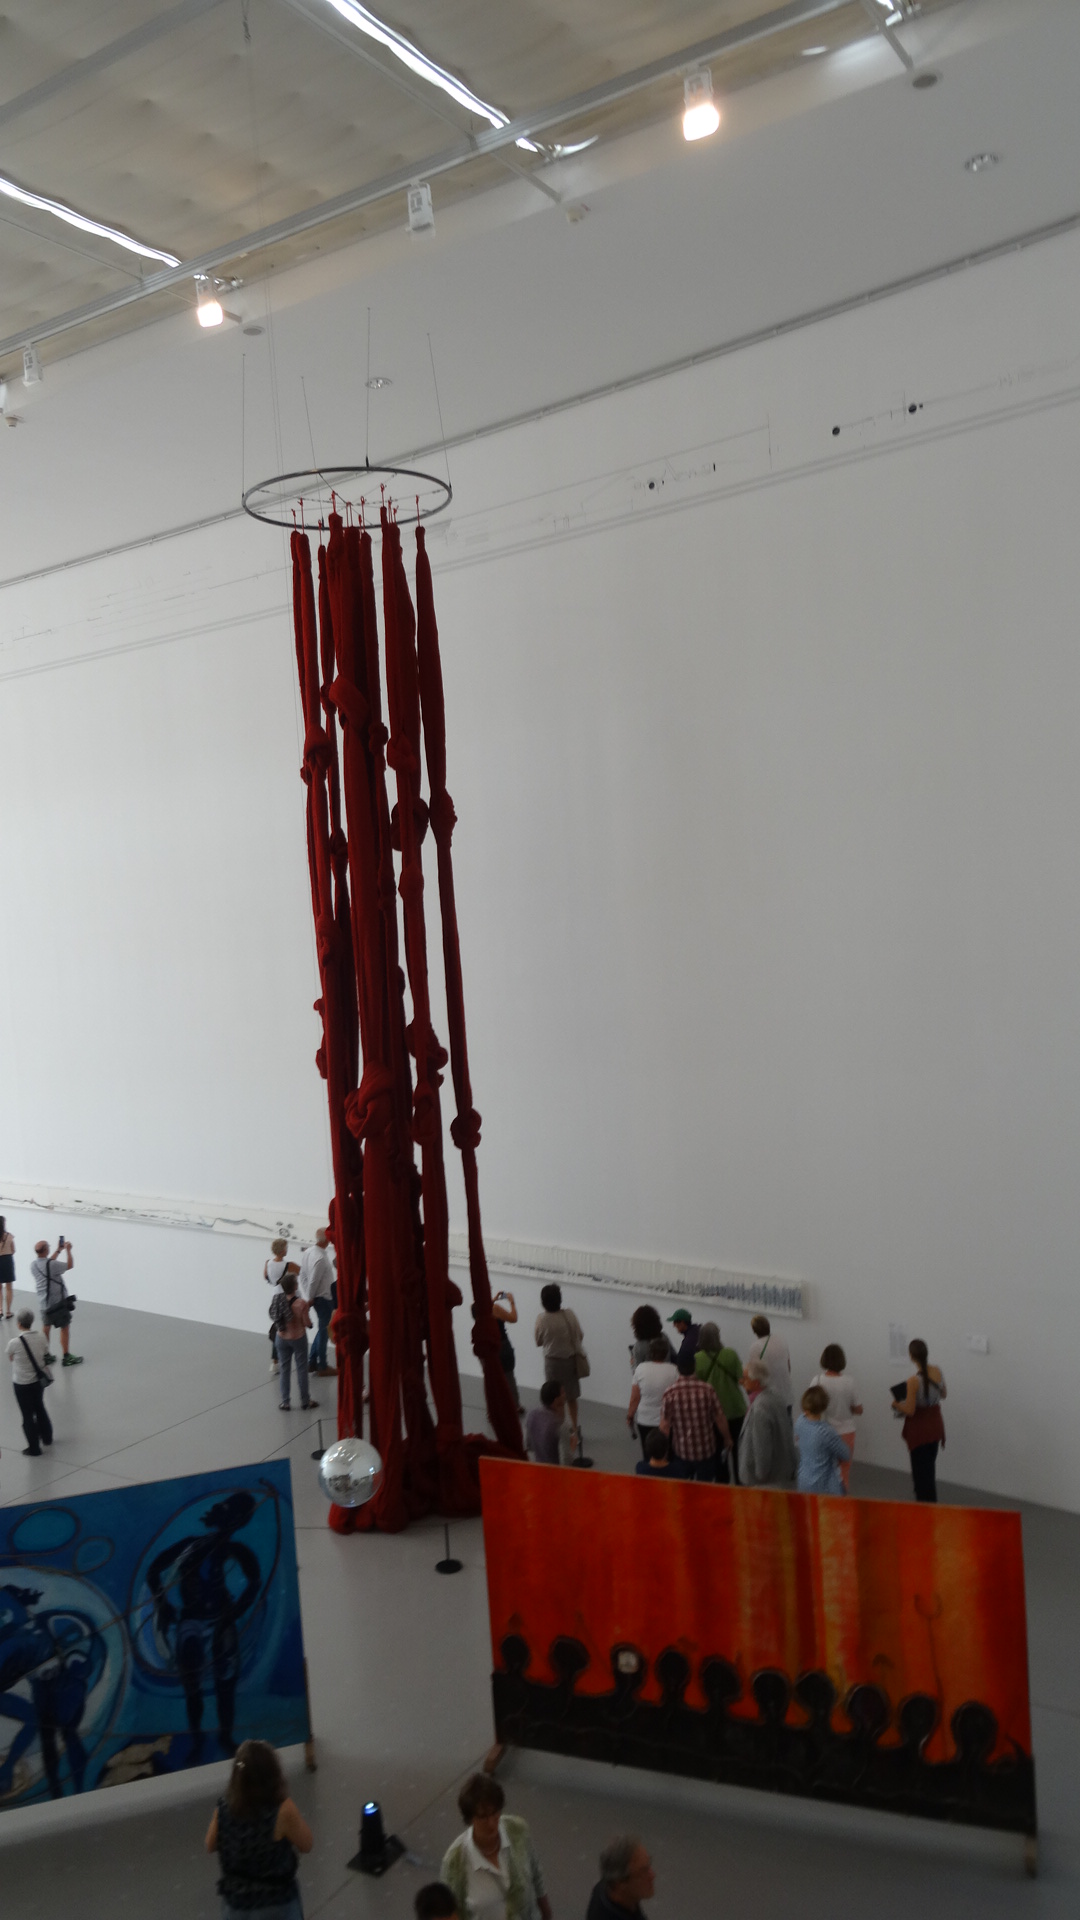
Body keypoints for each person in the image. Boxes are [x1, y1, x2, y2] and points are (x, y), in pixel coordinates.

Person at [206, 1737, 312, 1918]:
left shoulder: (224, 1808)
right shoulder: (282, 1809)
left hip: (236, 1904)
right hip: (277, 1902)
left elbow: (210, 1845)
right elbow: (307, 1844)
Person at [440, 1772, 551, 1920]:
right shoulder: (454, 1861)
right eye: (483, 1817)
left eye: (495, 1813)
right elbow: (448, 1913)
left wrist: (547, 1913)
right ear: (470, 1818)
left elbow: (536, 1874)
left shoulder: (517, 1830)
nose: (492, 1823)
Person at [659, 1353, 731, 1481]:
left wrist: (663, 1452)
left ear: (677, 1368)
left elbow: (665, 1425)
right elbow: (719, 1418)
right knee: (704, 1487)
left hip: (682, 1451)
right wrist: (727, 1438)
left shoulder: (669, 1393)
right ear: (694, 1366)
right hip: (706, 1449)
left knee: (683, 1488)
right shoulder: (708, 1390)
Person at [892, 1337, 947, 1502]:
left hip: (920, 1431)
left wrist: (896, 1404)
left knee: (920, 1474)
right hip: (935, 1426)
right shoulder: (938, 1371)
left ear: (911, 1356)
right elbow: (944, 1394)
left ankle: (925, 1506)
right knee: (929, 1469)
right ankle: (930, 1504)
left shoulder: (913, 1381)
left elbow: (910, 1410)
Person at [534, 1283, 585, 1452]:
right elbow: (580, 1335)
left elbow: (538, 1341)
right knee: (571, 1397)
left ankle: (558, 1430)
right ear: (559, 1299)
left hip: (552, 1363)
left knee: (554, 1399)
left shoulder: (541, 1319)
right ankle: (574, 1430)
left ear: (543, 1302)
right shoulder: (569, 1315)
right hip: (569, 1361)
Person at [694, 1323, 747, 1483]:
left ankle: (722, 1484)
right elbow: (741, 1378)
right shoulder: (730, 1354)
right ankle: (740, 1483)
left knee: (718, 1452)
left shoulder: (697, 1358)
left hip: (713, 1413)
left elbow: (697, 1386)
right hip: (736, 1409)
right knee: (739, 1451)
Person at [809, 1343, 862, 1490]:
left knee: (822, 1470)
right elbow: (859, 1409)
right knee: (843, 1473)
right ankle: (841, 1499)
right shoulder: (849, 1382)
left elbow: (810, 1406)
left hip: (823, 1431)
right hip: (846, 1432)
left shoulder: (817, 1381)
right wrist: (847, 1407)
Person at [738, 1359, 797, 1487]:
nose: (741, 1381)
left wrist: (761, 1475)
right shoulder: (776, 1396)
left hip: (763, 1480)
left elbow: (762, 1445)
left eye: (745, 1378)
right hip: (780, 1472)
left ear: (756, 1382)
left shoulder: (759, 1407)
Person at [7, 1309, 53, 1456]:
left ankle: (34, 1448)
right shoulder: (41, 1337)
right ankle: (47, 1437)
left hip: (21, 1383)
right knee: (40, 1407)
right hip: (38, 1381)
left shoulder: (14, 1342)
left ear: (19, 1324)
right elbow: (45, 1353)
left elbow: (11, 1358)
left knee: (27, 1415)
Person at [270, 1275, 318, 1412]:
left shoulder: (278, 1299)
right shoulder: (301, 1304)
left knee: (284, 1370)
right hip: (297, 1338)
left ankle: (285, 1402)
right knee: (302, 1369)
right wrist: (309, 1322)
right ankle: (305, 1401)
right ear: (295, 1286)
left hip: (281, 1338)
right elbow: (307, 1323)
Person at [31, 1237, 81, 1366]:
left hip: (43, 1304)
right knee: (65, 1327)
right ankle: (66, 1356)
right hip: (57, 1304)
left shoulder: (34, 1265)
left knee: (46, 1328)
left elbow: (48, 1263)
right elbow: (70, 1265)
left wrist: (58, 1250)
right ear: (46, 1250)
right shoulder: (52, 1265)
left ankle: (46, 1355)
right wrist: (68, 1251)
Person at [627, 1337, 678, 1459]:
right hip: (667, 1420)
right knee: (668, 1454)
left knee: (648, 1454)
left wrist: (630, 1416)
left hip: (645, 1419)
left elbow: (635, 1398)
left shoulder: (640, 1369)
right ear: (666, 1353)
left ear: (650, 1353)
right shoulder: (674, 1370)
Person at [795, 1385, 850, 1494]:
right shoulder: (826, 1431)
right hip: (823, 1485)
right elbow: (845, 1454)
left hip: (803, 1480)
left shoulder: (800, 1421)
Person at [586, 1836, 656, 1919]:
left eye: (648, 1865)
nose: (653, 1876)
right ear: (620, 1883)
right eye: (643, 1872)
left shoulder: (605, 1888)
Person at [298, 1228, 336, 1377]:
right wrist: (310, 1297)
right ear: (326, 1239)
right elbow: (313, 1280)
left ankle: (312, 1362)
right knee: (325, 1331)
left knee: (322, 1330)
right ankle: (322, 1366)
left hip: (319, 1298)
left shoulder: (309, 1252)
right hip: (323, 1299)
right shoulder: (319, 1258)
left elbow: (303, 1276)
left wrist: (309, 1295)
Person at [264, 1239, 299, 1376]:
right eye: (286, 1247)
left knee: (279, 1326)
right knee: (291, 1326)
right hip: (287, 1297)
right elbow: (301, 1272)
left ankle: (275, 1361)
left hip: (275, 1296)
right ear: (282, 1249)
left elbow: (266, 1277)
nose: (287, 1249)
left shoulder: (268, 1263)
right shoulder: (289, 1265)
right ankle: (286, 1358)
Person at [746, 1315, 792, 1411]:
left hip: (768, 1400)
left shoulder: (756, 1347)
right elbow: (788, 1367)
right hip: (786, 1395)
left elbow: (753, 1376)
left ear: (754, 1331)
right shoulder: (781, 1341)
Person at [525, 1379, 577, 1464]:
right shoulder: (561, 1425)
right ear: (556, 1400)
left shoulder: (532, 1414)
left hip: (538, 1466)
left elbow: (529, 1445)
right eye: (563, 1392)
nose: (565, 1395)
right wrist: (573, 1444)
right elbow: (567, 1460)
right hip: (553, 1469)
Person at [493, 1290, 522, 1412]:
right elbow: (513, 1318)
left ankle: (494, 1408)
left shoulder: (475, 1308)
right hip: (502, 1346)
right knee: (509, 1377)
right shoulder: (495, 1309)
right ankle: (515, 1406)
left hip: (488, 1347)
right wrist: (512, 1302)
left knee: (492, 1378)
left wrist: (493, 1300)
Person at [0, 1216, 14, 1320]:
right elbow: (13, 1250)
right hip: (7, 1260)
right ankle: (8, 1311)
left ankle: (0, 1310)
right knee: (9, 1287)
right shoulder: (9, 1236)